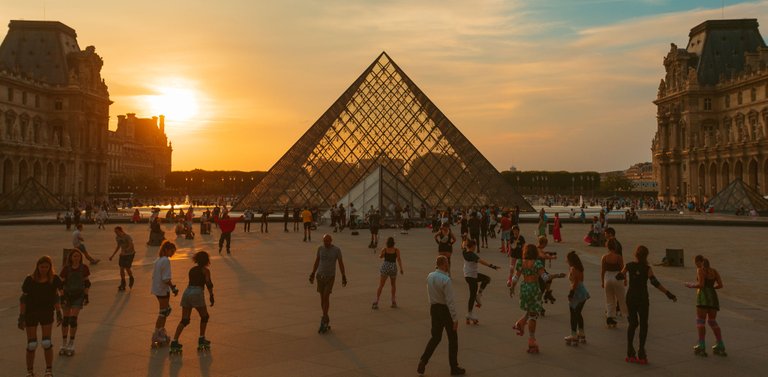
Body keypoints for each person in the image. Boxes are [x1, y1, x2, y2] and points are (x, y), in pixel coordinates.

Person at [617, 245, 677, 364]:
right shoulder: (647, 268)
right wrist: (668, 293)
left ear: (635, 255)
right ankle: (641, 352)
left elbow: (620, 275)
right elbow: (655, 283)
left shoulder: (629, 265)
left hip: (631, 298)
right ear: (646, 256)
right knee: (643, 324)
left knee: (632, 324)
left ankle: (630, 351)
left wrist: (620, 275)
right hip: (642, 298)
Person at [509, 245, 563, 354]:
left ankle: (520, 323)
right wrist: (557, 275)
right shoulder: (537, 263)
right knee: (533, 316)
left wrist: (512, 287)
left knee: (529, 310)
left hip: (524, 288)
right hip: (534, 288)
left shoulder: (520, 262)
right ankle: (532, 340)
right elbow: (545, 277)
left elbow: (515, 277)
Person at [417, 255, 465, 376]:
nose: (448, 265)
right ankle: (454, 367)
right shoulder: (446, 280)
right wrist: (455, 319)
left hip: (434, 308)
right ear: (443, 264)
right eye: (447, 263)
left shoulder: (430, 276)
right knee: (453, 339)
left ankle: (423, 361)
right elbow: (450, 301)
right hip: (445, 310)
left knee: (435, 337)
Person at [19, 256, 63, 377]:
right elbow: (23, 299)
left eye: (46, 267)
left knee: (46, 342)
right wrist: (21, 316)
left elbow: (56, 296)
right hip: (31, 313)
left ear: (50, 267)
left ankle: (48, 370)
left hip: (46, 312)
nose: (44, 269)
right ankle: (29, 372)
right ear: (37, 266)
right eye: (42, 266)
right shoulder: (29, 280)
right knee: (31, 344)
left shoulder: (54, 279)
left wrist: (59, 312)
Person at [170, 251, 215, 354]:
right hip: (197, 293)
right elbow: (208, 283)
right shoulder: (205, 271)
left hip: (187, 292)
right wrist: (211, 296)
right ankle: (201, 338)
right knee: (204, 316)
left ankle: (175, 341)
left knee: (185, 320)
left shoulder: (192, 269)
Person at [685, 255, 726, 356]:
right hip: (713, 298)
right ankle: (720, 344)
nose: (696, 266)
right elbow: (720, 285)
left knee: (700, 321)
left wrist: (691, 285)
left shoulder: (700, 270)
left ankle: (701, 345)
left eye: (696, 263)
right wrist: (712, 289)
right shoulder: (715, 271)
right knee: (712, 321)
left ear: (699, 262)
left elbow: (701, 284)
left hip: (703, 298)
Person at [309, 234, 347, 333]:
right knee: (322, 299)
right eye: (324, 241)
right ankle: (326, 317)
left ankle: (323, 319)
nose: (326, 243)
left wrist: (343, 276)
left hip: (330, 277)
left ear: (331, 240)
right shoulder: (320, 249)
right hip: (320, 276)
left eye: (327, 241)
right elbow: (317, 261)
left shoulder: (336, 250)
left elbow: (340, 263)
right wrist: (312, 273)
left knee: (326, 296)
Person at [58, 249, 91, 357]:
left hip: (78, 295)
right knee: (65, 320)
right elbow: (60, 284)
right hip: (67, 295)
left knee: (73, 320)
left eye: (78, 256)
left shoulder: (84, 268)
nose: (76, 258)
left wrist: (86, 295)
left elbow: (87, 283)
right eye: (74, 256)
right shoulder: (66, 269)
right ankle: (64, 343)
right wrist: (62, 296)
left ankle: (71, 343)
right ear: (70, 258)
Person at [462, 240, 499, 325]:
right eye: (474, 247)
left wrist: (464, 240)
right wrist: (492, 266)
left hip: (468, 275)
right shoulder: (472, 254)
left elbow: (463, 244)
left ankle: (478, 297)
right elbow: (481, 261)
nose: (475, 248)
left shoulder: (465, 252)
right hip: (472, 277)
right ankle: (470, 313)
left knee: (486, 279)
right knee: (472, 295)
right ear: (472, 247)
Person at [151, 241, 179, 347]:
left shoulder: (159, 260)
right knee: (163, 313)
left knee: (166, 311)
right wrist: (173, 288)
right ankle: (156, 335)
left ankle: (161, 332)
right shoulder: (166, 261)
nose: (173, 254)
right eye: (172, 251)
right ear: (167, 250)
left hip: (157, 289)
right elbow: (166, 278)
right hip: (162, 290)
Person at [564, 251, 589, 345]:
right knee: (578, 313)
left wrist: (570, 294)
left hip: (576, 293)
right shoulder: (579, 268)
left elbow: (575, 283)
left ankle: (573, 335)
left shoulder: (573, 269)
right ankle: (581, 333)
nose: (566, 260)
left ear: (570, 260)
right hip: (583, 292)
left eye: (567, 259)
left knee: (573, 314)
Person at [372, 237, 403, 310]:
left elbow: (381, 257)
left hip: (385, 267)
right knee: (393, 285)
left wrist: (381, 254)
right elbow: (398, 259)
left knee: (381, 285)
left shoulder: (384, 249)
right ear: (393, 243)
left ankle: (376, 301)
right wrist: (401, 268)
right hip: (393, 267)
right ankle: (393, 301)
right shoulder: (396, 250)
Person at [601, 238, 627, 327]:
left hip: (607, 278)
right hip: (617, 277)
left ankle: (610, 317)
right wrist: (625, 280)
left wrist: (602, 281)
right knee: (621, 298)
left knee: (609, 299)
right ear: (615, 247)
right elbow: (623, 269)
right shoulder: (618, 257)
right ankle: (626, 315)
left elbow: (603, 271)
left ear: (607, 247)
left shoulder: (604, 257)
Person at [109, 226, 136, 291]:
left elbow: (131, 245)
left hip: (130, 254)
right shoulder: (117, 238)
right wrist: (112, 255)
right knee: (121, 268)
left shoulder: (127, 236)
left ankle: (131, 277)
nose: (116, 233)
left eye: (117, 232)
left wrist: (126, 250)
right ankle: (123, 283)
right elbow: (118, 246)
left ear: (121, 231)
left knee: (127, 268)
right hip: (122, 254)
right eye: (115, 232)